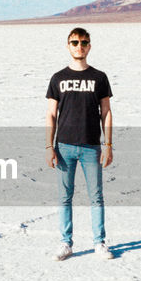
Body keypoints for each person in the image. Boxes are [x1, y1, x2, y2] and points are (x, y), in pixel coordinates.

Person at [45, 27, 113, 260]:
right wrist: (49, 146)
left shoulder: (99, 77)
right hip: (64, 146)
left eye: (84, 42)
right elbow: (51, 114)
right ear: (68, 46)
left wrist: (108, 145)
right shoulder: (58, 78)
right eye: (75, 42)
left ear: (90, 46)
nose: (79, 46)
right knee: (65, 196)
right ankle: (66, 243)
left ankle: (99, 243)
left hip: (91, 147)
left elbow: (106, 112)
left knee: (96, 196)